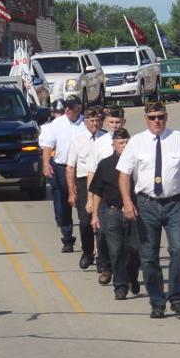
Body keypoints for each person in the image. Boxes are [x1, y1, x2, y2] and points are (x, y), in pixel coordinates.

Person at [117, 102, 180, 319]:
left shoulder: (179, 139)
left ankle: (177, 299)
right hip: (146, 204)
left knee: (179, 248)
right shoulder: (136, 142)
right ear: (146, 118)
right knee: (149, 256)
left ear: (166, 117)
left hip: (174, 203)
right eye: (153, 117)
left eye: (161, 116)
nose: (157, 121)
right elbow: (124, 174)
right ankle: (157, 301)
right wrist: (127, 202)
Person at [89, 127, 140, 300]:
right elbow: (97, 191)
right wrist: (95, 214)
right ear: (113, 145)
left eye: (127, 142)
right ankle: (120, 286)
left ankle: (132, 276)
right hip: (112, 212)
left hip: (135, 213)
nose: (124, 145)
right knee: (116, 250)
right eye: (121, 143)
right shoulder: (105, 164)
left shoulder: (138, 162)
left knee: (135, 250)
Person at [39, 97, 84, 252]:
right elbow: (47, 146)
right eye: (67, 108)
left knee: (83, 206)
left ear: (78, 108)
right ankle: (67, 238)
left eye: (72, 108)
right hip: (61, 168)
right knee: (62, 205)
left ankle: (88, 241)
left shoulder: (86, 124)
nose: (68, 111)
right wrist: (46, 164)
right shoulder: (56, 124)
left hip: (81, 169)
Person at [66, 108, 107, 273]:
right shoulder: (77, 140)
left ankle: (102, 257)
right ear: (85, 122)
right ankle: (87, 252)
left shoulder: (106, 138)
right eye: (91, 120)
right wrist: (72, 191)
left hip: (103, 180)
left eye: (97, 120)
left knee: (102, 221)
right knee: (85, 221)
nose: (94, 124)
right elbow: (70, 167)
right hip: (84, 182)